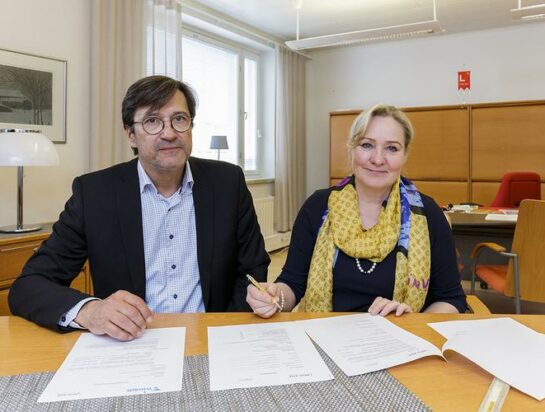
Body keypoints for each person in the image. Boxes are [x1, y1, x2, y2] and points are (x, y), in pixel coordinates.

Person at [9, 75, 269, 340]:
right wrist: (91, 310)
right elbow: (29, 286)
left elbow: (253, 269)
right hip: (131, 343)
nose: (169, 133)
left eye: (179, 119)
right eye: (152, 121)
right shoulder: (95, 194)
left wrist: (224, 330)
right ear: (131, 135)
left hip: (212, 337)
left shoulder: (227, 183)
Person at [247, 104, 466, 318]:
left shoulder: (427, 214)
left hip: (401, 337)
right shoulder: (318, 206)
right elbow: (291, 284)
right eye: (367, 145)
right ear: (351, 149)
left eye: (392, 148)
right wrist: (274, 298)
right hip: (326, 335)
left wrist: (411, 322)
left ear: (405, 155)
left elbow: (451, 299)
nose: (378, 159)